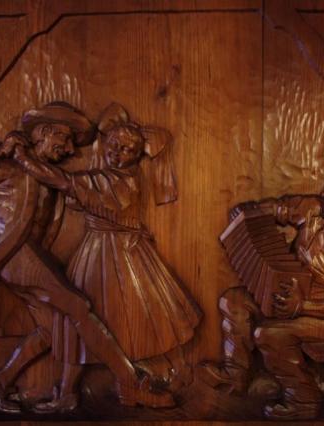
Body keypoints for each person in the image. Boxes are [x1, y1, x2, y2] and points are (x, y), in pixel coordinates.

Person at [0, 102, 174, 413]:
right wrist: (0, 149)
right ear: (44, 132)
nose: (69, 149)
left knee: (53, 330)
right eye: (65, 139)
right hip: (16, 256)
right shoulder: (9, 166)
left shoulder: (44, 174)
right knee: (78, 307)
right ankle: (129, 380)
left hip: (31, 256)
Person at [11, 103, 201, 408]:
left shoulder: (122, 181)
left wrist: (22, 158)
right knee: (76, 324)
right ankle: (68, 392)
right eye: (113, 146)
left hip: (120, 256)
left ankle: (136, 384)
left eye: (127, 150)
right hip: (95, 252)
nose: (117, 153)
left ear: (137, 156)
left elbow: (63, 181)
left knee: (127, 323)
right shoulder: (104, 177)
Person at [199, 169, 324, 420]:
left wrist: (302, 306)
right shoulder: (314, 209)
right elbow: (279, 208)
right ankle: (235, 374)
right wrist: (249, 212)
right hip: (286, 294)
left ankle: (303, 398)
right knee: (233, 301)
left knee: (269, 334)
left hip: (322, 314)